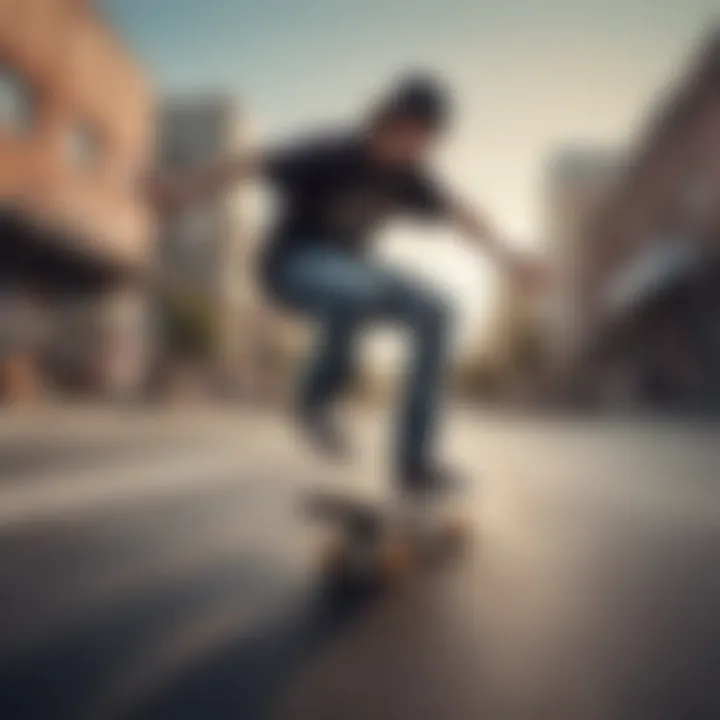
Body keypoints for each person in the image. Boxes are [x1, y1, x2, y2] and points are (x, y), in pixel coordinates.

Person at [150, 74, 544, 497]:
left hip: (355, 275)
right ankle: (317, 398)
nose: (414, 149)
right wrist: (182, 189)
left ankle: (415, 463)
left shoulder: (412, 178)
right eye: (409, 134)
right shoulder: (330, 152)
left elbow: (463, 214)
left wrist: (509, 259)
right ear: (386, 120)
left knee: (437, 309)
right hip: (290, 268)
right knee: (353, 286)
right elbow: (250, 163)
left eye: (425, 141)